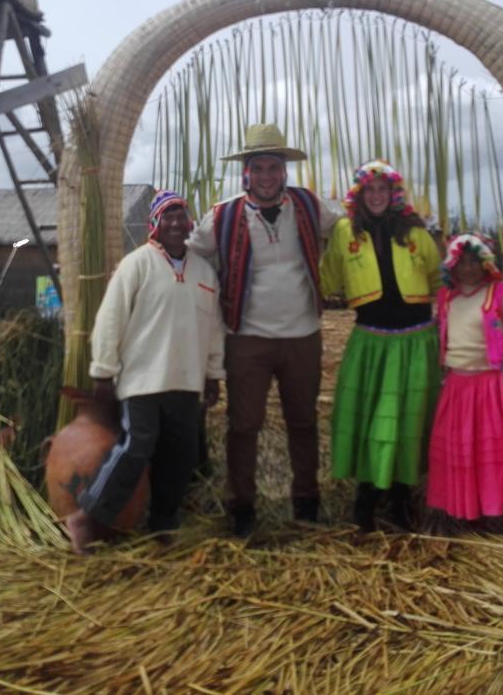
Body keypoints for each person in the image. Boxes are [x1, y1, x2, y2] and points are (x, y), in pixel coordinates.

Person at [189, 123, 340, 536]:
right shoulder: (223, 216)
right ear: (247, 172)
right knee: (243, 424)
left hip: (302, 335)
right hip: (247, 337)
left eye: (274, 167)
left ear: (284, 170)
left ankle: (306, 504)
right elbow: (188, 254)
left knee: (304, 422)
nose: (268, 175)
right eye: (259, 168)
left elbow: (349, 226)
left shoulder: (310, 207)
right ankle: (242, 509)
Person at [64, 190, 224, 553]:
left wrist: (213, 373)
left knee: (180, 456)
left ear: (190, 224)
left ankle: (163, 526)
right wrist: (103, 371)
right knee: (136, 447)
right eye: (168, 216)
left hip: (186, 380)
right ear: (155, 223)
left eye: (182, 216)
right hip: (141, 380)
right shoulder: (137, 264)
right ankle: (87, 520)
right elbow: (110, 318)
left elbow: (214, 328)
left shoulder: (203, 272)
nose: (176, 223)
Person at [319, 160, 442, 532]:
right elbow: (327, 279)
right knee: (371, 417)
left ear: (394, 194)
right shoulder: (344, 232)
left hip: (415, 341)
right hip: (370, 341)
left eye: (382, 190)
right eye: (368, 190)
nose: (376, 196)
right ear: (358, 194)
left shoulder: (416, 233)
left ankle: (402, 498)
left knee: (407, 417)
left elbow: (438, 278)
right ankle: (367, 497)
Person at [426, 233, 503, 525]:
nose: (468, 268)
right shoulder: (447, 298)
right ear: (451, 266)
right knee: (461, 450)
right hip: (457, 386)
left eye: (474, 261)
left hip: (491, 387)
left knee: (489, 452)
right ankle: (463, 510)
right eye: (461, 262)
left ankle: (496, 513)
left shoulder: (502, 294)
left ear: (486, 263)